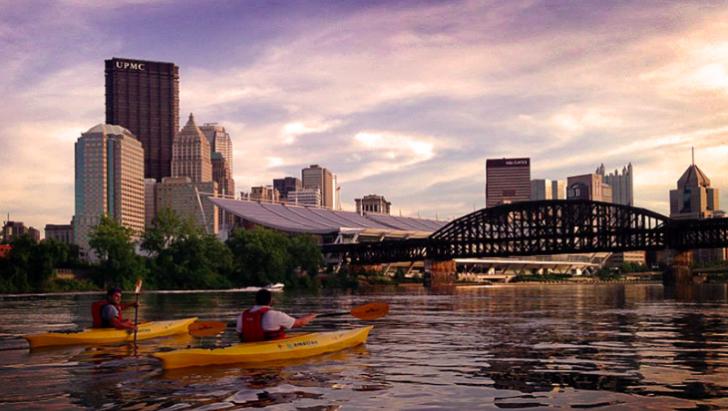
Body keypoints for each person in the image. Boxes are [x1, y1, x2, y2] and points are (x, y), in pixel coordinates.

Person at [236, 289, 316, 342]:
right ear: (270, 301)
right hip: (269, 348)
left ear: (255, 301)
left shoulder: (242, 315)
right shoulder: (276, 315)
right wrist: (310, 317)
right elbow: (299, 323)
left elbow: (239, 334)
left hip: (248, 347)